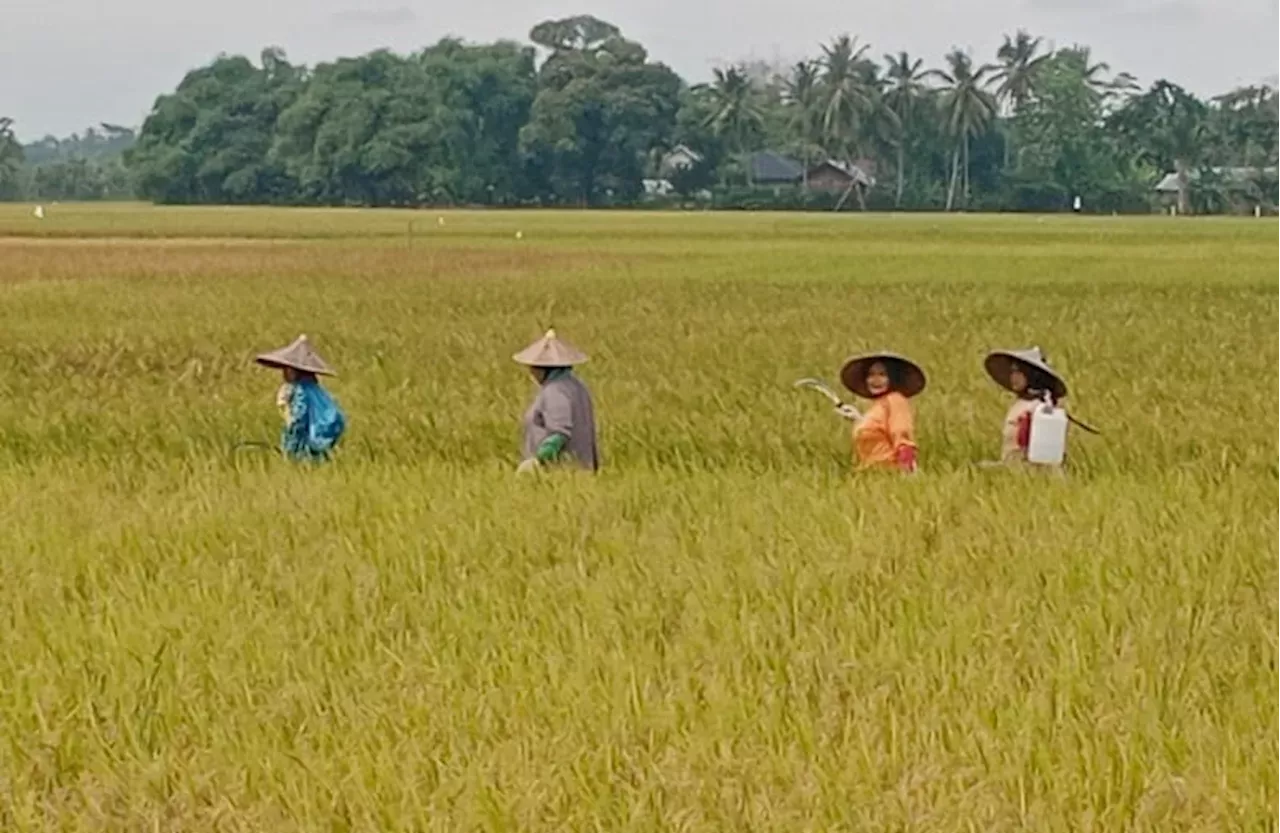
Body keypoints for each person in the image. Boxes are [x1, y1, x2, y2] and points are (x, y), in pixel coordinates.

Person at [513, 329, 599, 474]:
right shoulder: (577, 386)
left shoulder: (555, 392)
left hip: (561, 472)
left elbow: (559, 434)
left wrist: (538, 462)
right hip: (583, 469)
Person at [254, 334, 346, 462]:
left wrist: (290, 444)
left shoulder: (300, 391)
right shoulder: (317, 390)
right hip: (320, 443)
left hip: (307, 445)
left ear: (293, 371)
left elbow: (298, 421)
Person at [835, 351, 924, 473]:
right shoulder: (877, 405)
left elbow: (901, 434)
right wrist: (858, 418)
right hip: (870, 474)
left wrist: (907, 470)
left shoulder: (895, 400)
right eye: (871, 375)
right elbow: (877, 430)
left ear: (892, 378)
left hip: (891, 473)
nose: (876, 380)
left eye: (882, 375)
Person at [983, 346, 1068, 466]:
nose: (1013, 377)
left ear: (1031, 375)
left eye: (1018, 372)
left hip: (1028, 470)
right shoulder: (1021, 404)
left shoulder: (1041, 408)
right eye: (1012, 372)